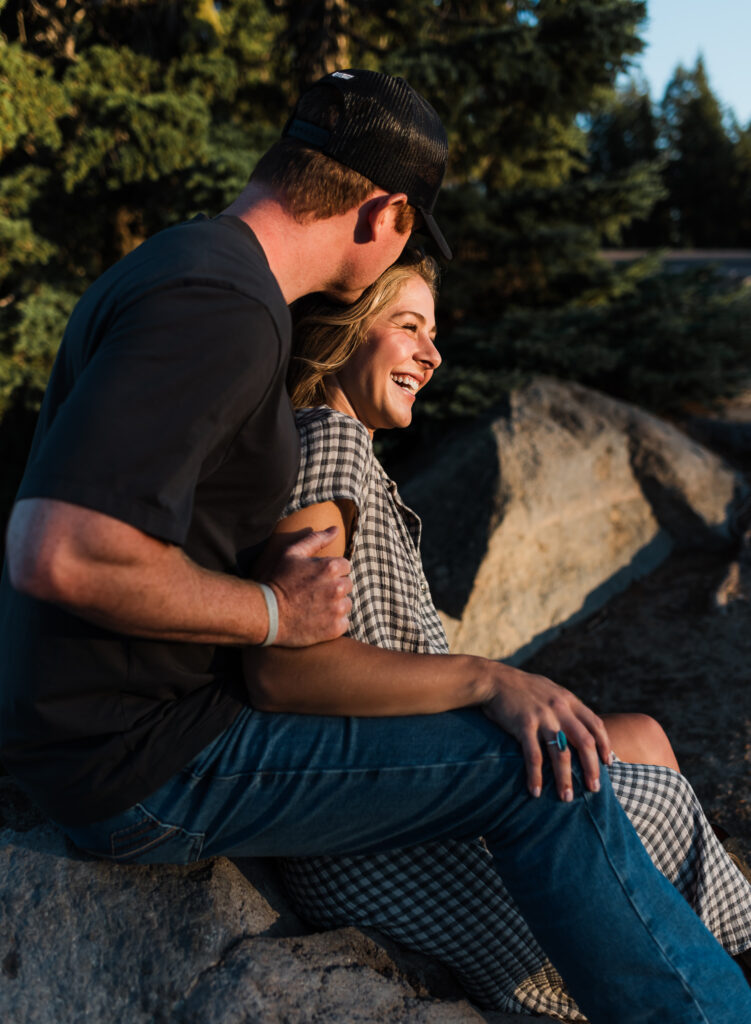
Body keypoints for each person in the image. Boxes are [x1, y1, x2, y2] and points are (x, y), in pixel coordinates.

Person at [1, 68, 749, 1024]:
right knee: (538, 774)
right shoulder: (222, 306)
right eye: (410, 253)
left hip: (122, 738)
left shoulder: (186, 266)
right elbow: (57, 550)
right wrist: (276, 613)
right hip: (142, 762)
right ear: (383, 209)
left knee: (572, 749)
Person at [260, 251, 751, 1017]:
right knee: (647, 802)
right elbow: (290, 674)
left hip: (414, 786)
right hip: (382, 837)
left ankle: (701, 953)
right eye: (407, 326)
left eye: (433, 331)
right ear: (348, 332)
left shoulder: (342, 451)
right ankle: (718, 963)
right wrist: (487, 680)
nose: (432, 352)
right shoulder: (327, 445)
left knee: (642, 737)